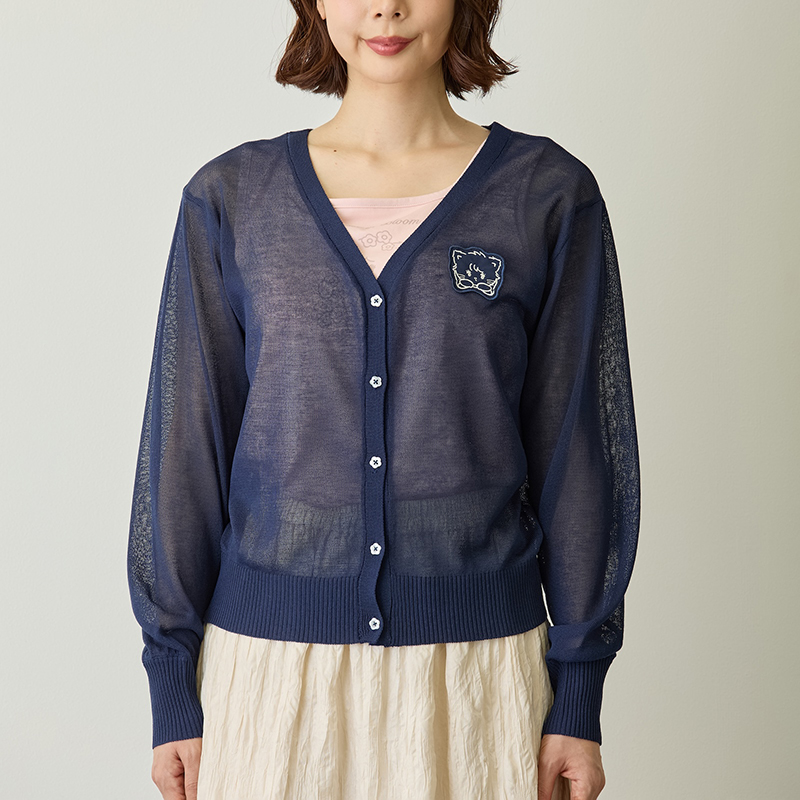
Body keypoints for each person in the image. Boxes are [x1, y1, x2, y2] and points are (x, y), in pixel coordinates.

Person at [126, 0, 640, 798]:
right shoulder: (232, 197)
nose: (386, 7)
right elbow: (185, 446)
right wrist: (171, 682)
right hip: (269, 673)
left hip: (476, 675)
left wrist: (578, 693)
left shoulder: (545, 194)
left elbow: (580, 455)